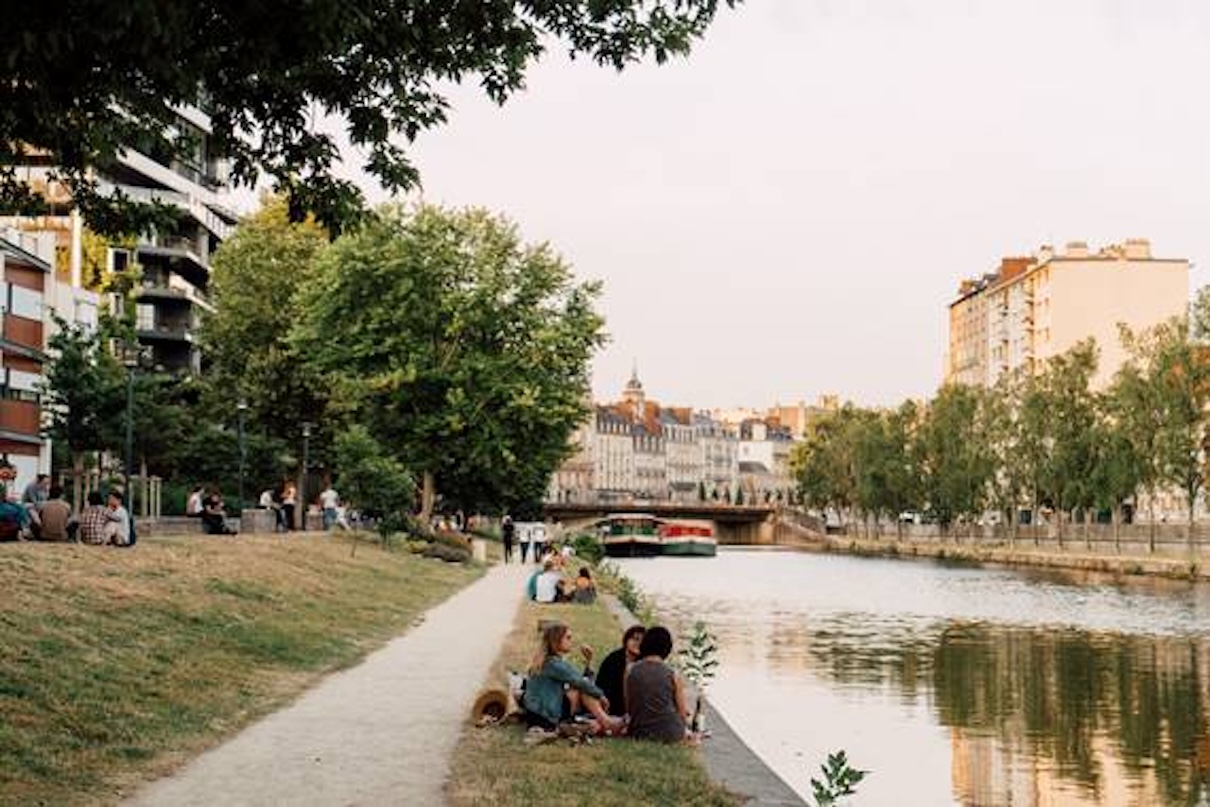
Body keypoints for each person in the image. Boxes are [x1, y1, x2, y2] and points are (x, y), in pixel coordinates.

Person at [522, 622, 623, 735]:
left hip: (537, 714)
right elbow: (581, 682)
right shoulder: (553, 664)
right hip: (546, 716)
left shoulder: (547, 660)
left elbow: (579, 680)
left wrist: (588, 661)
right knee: (582, 687)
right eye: (568, 638)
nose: (571, 641)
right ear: (556, 640)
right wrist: (601, 695)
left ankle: (602, 721)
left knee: (579, 688)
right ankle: (607, 722)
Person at [625, 626, 690, 743]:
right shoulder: (673, 675)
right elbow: (682, 715)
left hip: (639, 731)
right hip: (671, 733)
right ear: (667, 648)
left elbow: (629, 707)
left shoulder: (630, 670)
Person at [596, 625, 645, 717]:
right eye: (635, 639)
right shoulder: (613, 658)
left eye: (642, 641)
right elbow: (603, 684)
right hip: (610, 705)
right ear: (626, 640)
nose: (638, 643)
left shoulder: (644, 662)